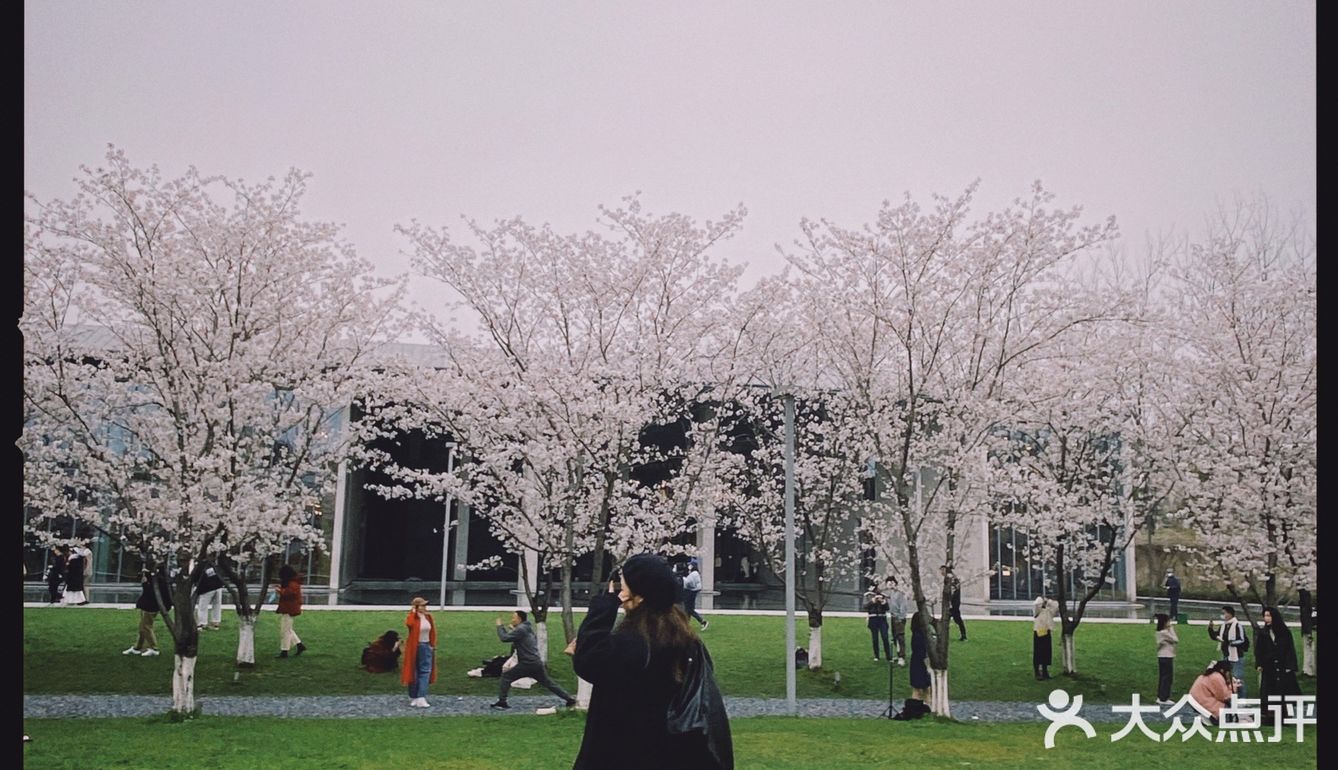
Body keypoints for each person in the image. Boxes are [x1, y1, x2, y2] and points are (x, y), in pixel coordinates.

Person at [571, 553, 732, 769]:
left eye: (625, 586)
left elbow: (588, 662)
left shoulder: (634, 642)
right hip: (669, 749)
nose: (622, 592)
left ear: (641, 595)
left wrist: (603, 608)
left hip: (626, 749)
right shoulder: (685, 639)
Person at [491, 609, 577, 710]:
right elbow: (519, 638)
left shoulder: (521, 630)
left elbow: (504, 638)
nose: (512, 620)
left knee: (506, 676)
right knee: (548, 683)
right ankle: (569, 699)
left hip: (527, 663)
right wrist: (513, 629)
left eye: (513, 618)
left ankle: (502, 702)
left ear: (519, 619)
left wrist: (499, 626)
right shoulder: (527, 628)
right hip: (536, 662)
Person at [1254, 605, 1302, 722]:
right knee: (1269, 690)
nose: (1266, 618)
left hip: (1282, 665)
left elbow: (1290, 649)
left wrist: (1289, 666)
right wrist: (1259, 664)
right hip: (1269, 666)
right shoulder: (1263, 633)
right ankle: (1269, 716)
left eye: (1268, 616)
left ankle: (1284, 715)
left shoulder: (1284, 632)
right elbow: (1259, 650)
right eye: (1265, 616)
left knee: (1283, 690)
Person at [123, 567, 172, 657]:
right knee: (142, 627)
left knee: (146, 627)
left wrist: (145, 583)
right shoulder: (160, 578)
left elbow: (150, 592)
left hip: (151, 606)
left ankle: (154, 648)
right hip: (150, 604)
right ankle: (137, 647)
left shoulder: (159, 581)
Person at [895, 610, 932, 720]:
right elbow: (922, 653)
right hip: (919, 664)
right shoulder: (919, 636)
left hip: (918, 662)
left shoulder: (921, 634)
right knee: (918, 688)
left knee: (926, 688)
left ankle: (928, 707)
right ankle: (914, 710)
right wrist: (928, 666)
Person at [401, 597, 437, 707]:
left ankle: (421, 696)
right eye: (422, 605)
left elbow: (432, 632)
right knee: (414, 670)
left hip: (426, 645)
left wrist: (432, 645)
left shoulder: (428, 617)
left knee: (425, 670)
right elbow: (409, 624)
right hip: (415, 646)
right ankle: (414, 696)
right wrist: (413, 612)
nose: (424, 607)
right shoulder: (413, 618)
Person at [1207, 605, 1248, 698]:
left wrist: (1230, 643)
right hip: (1226, 655)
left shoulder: (1238, 625)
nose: (1223, 615)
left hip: (1237, 656)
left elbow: (1242, 640)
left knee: (1238, 678)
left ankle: (1242, 699)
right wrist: (1210, 629)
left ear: (1230, 614)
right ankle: (1231, 698)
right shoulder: (1223, 626)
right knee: (1227, 678)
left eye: (1224, 613)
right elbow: (1217, 637)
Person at [1188, 660, 1237, 725]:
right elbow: (1223, 696)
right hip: (1203, 701)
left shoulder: (1212, 675)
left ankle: (1207, 719)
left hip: (1197, 699)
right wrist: (1234, 687)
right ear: (1223, 670)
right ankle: (1210, 720)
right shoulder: (1217, 677)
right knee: (1227, 712)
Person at [273, 564, 306, 658]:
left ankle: (285, 651)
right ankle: (299, 645)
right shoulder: (294, 582)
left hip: (289, 609)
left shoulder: (293, 583)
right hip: (289, 608)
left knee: (285, 631)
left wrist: (280, 591)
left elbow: (288, 593)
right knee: (288, 629)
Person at [885, 578, 912, 666]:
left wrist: (901, 617)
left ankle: (902, 657)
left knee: (900, 636)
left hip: (899, 617)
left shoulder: (900, 594)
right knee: (895, 636)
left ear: (894, 583)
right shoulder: (892, 593)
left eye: (890, 584)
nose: (889, 586)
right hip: (893, 617)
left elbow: (903, 605)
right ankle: (899, 653)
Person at [193, 560, 226, 631]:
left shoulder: (198, 565)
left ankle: (202, 623)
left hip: (207, 588)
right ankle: (216, 622)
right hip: (218, 585)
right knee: (217, 605)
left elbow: (195, 577)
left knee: (202, 607)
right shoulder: (210, 563)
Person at [1154, 613, 1178, 706]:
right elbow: (1176, 640)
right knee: (1167, 678)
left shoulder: (1159, 632)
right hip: (1167, 656)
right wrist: (1171, 628)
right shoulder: (1165, 633)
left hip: (1162, 656)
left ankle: (1161, 696)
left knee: (1163, 677)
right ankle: (1164, 698)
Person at [864, 590, 892, 662]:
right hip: (873, 620)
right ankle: (876, 656)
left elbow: (887, 608)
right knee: (875, 639)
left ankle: (888, 657)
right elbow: (865, 607)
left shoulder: (883, 598)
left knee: (885, 637)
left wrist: (883, 602)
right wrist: (872, 602)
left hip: (882, 619)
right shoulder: (869, 597)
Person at [1033, 595, 1056, 681]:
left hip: (1046, 630)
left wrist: (1048, 601)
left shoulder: (1049, 609)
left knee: (1046, 651)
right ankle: (1037, 671)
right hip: (1039, 630)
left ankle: (1045, 670)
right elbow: (1036, 605)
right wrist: (1041, 601)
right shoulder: (1037, 609)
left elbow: (1055, 606)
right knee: (1038, 651)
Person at [682, 559, 709, 630]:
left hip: (691, 592)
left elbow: (689, 583)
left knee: (689, 609)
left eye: (690, 565)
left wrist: (683, 579)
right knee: (688, 609)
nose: (689, 566)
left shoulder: (694, 574)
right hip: (691, 592)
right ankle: (686, 624)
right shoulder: (694, 573)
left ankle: (703, 621)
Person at [942, 566, 966, 641]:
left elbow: (953, 591)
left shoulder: (951, 579)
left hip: (954, 604)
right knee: (947, 619)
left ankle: (963, 636)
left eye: (942, 570)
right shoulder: (950, 578)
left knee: (956, 619)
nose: (941, 572)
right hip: (953, 603)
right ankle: (943, 635)